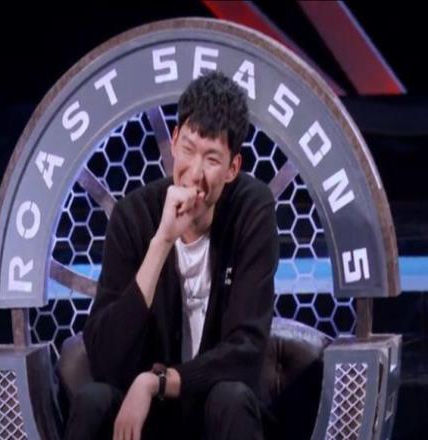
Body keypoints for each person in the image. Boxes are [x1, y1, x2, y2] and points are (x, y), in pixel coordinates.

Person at [64, 71, 279, 440]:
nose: (195, 174)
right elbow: (103, 357)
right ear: (175, 140)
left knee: (230, 398)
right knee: (93, 401)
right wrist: (162, 240)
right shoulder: (133, 216)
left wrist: (157, 382)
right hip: (149, 420)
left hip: (215, 410)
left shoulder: (252, 210)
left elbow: (245, 351)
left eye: (212, 159)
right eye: (189, 150)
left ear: (233, 168)